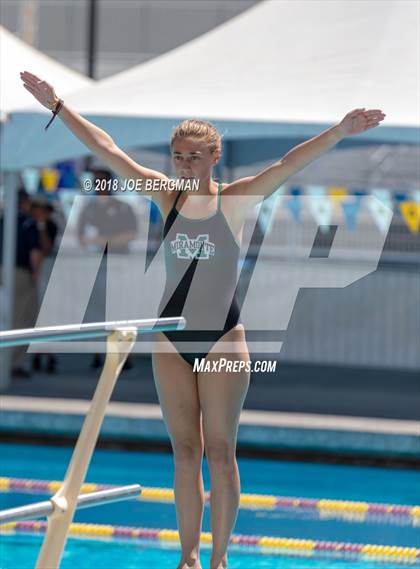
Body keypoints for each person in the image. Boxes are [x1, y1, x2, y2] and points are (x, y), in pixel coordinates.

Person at [20, 70, 385, 569]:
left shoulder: (234, 200)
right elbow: (108, 150)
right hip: (170, 337)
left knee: (219, 451)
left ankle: (219, 559)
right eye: (178, 156)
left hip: (221, 340)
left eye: (195, 156)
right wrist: (56, 105)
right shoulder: (165, 197)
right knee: (185, 451)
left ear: (214, 157)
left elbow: (288, 162)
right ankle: (189, 557)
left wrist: (340, 131)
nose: (186, 164)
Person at [77, 168, 138, 369]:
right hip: (95, 267)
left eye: (101, 181)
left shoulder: (123, 208)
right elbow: (81, 237)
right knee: (97, 311)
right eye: (95, 181)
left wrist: (107, 241)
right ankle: (97, 353)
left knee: (120, 310)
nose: (98, 185)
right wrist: (93, 242)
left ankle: (123, 356)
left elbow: (132, 233)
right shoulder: (89, 208)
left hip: (119, 265)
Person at [0, 188, 42, 379]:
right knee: (22, 319)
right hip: (19, 273)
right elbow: (35, 252)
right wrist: (35, 273)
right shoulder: (27, 223)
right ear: (24, 203)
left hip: (5, 270)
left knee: (6, 316)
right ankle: (12, 364)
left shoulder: (3, 220)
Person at [30, 198, 59, 374]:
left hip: (46, 273)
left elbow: (46, 247)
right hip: (33, 274)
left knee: (46, 315)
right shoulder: (28, 224)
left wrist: (41, 226)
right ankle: (39, 354)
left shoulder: (50, 226)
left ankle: (47, 355)